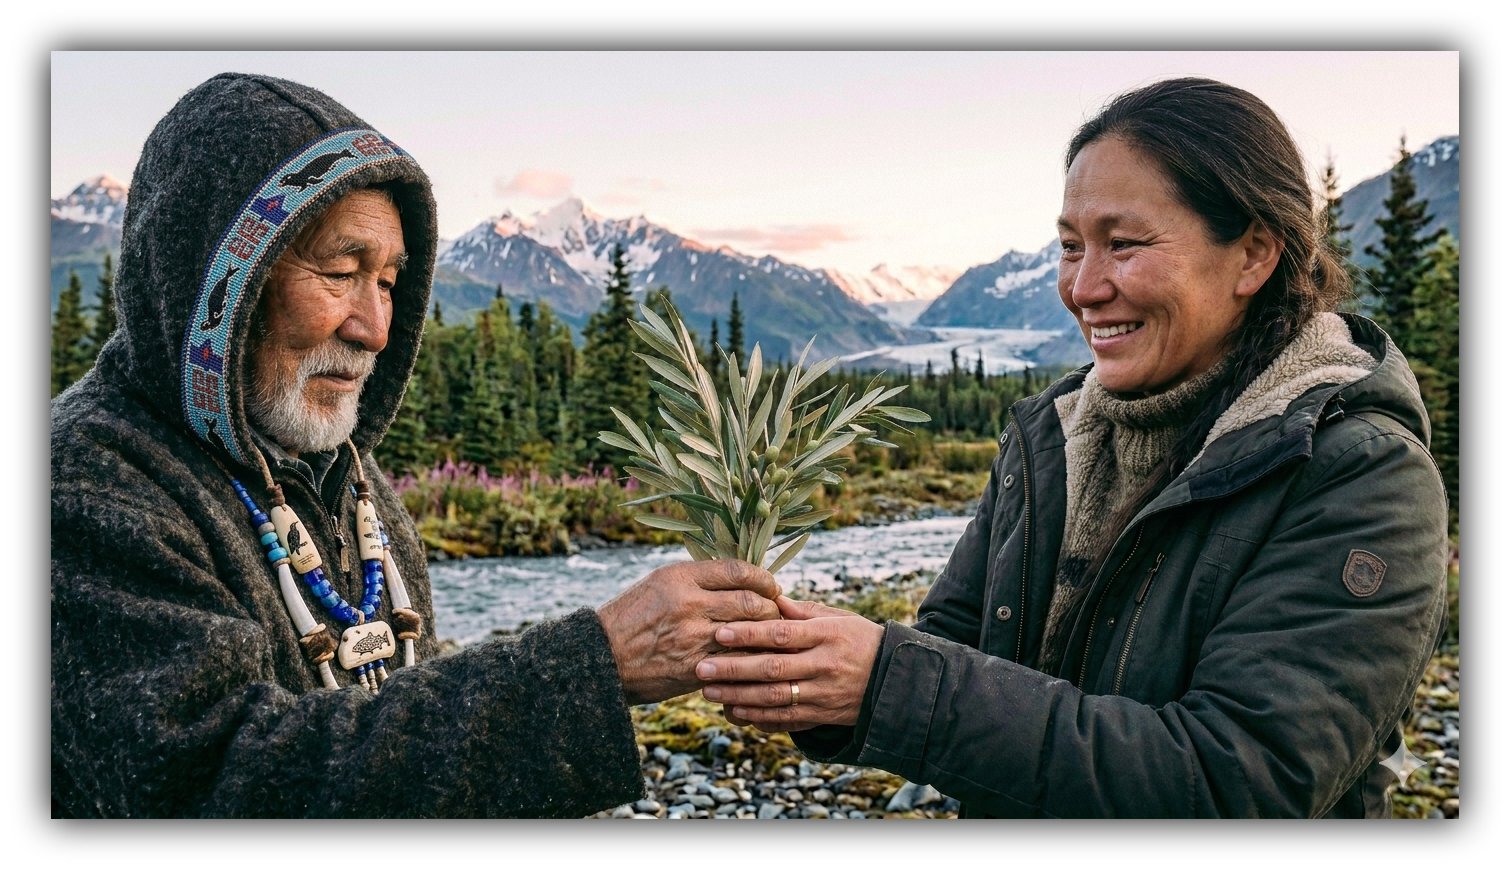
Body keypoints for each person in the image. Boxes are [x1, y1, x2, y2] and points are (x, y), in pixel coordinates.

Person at [695, 77, 1450, 818]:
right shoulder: (1051, 441)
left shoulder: (1361, 474)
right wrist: (809, 673)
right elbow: (948, 649)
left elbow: (1238, 783)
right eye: (1068, 247)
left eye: (1123, 245)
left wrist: (887, 682)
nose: (1083, 288)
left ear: (1253, 255)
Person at [50, 73, 780, 818]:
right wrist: (597, 665)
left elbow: (401, 726)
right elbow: (212, 784)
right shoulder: (85, 490)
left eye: (390, 283)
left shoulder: (352, 490)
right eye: (340, 274)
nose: (374, 328)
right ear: (215, 280)